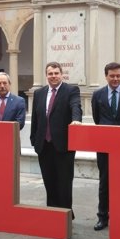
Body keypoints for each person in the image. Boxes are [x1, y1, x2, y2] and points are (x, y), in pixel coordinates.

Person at [30, 61, 82, 212]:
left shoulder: (71, 90)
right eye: (50, 74)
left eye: (56, 73)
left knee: (64, 183)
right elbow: (35, 118)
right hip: (43, 146)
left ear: (61, 74)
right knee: (49, 181)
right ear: (46, 76)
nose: (53, 76)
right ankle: (52, 214)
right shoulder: (39, 93)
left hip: (63, 145)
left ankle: (65, 215)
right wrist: (34, 139)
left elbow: (75, 106)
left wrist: (76, 119)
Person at [90, 62, 120, 231]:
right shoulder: (98, 94)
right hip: (105, 145)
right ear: (106, 76)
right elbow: (97, 118)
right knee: (105, 181)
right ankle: (103, 217)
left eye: (118, 76)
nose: (115, 79)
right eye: (112, 76)